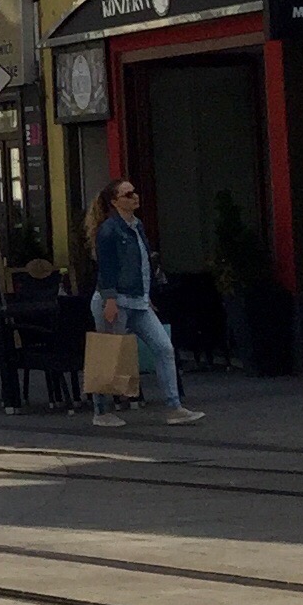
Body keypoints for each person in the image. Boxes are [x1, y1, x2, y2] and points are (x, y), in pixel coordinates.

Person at [88, 178, 203, 428]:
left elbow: (142, 264)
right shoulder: (109, 230)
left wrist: (146, 295)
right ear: (115, 201)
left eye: (134, 192)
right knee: (109, 356)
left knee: (164, 348)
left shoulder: (136, 226)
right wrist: (109, 300)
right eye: (128, 194)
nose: (135, 196)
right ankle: (100, 411)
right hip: (116, 300)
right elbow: (106, 269)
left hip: (137, 301)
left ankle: (174, 406)